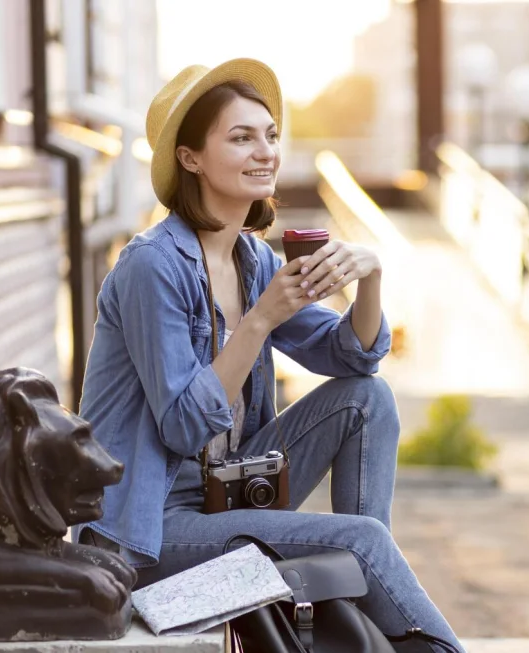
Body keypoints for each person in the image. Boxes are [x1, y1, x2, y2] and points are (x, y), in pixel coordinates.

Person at [73, 59, 463, 652]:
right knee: (357, 541)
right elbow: (182, 424)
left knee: (367, 400)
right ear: (190, 158)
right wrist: (258, 322)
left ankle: (360, 602)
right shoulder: (152, 265)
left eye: (270, 135)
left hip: (222, 496)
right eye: (241, 137)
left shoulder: (253, 261)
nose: (265, 151)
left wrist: (371, 277)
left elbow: (354, 360)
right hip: (148, 535)